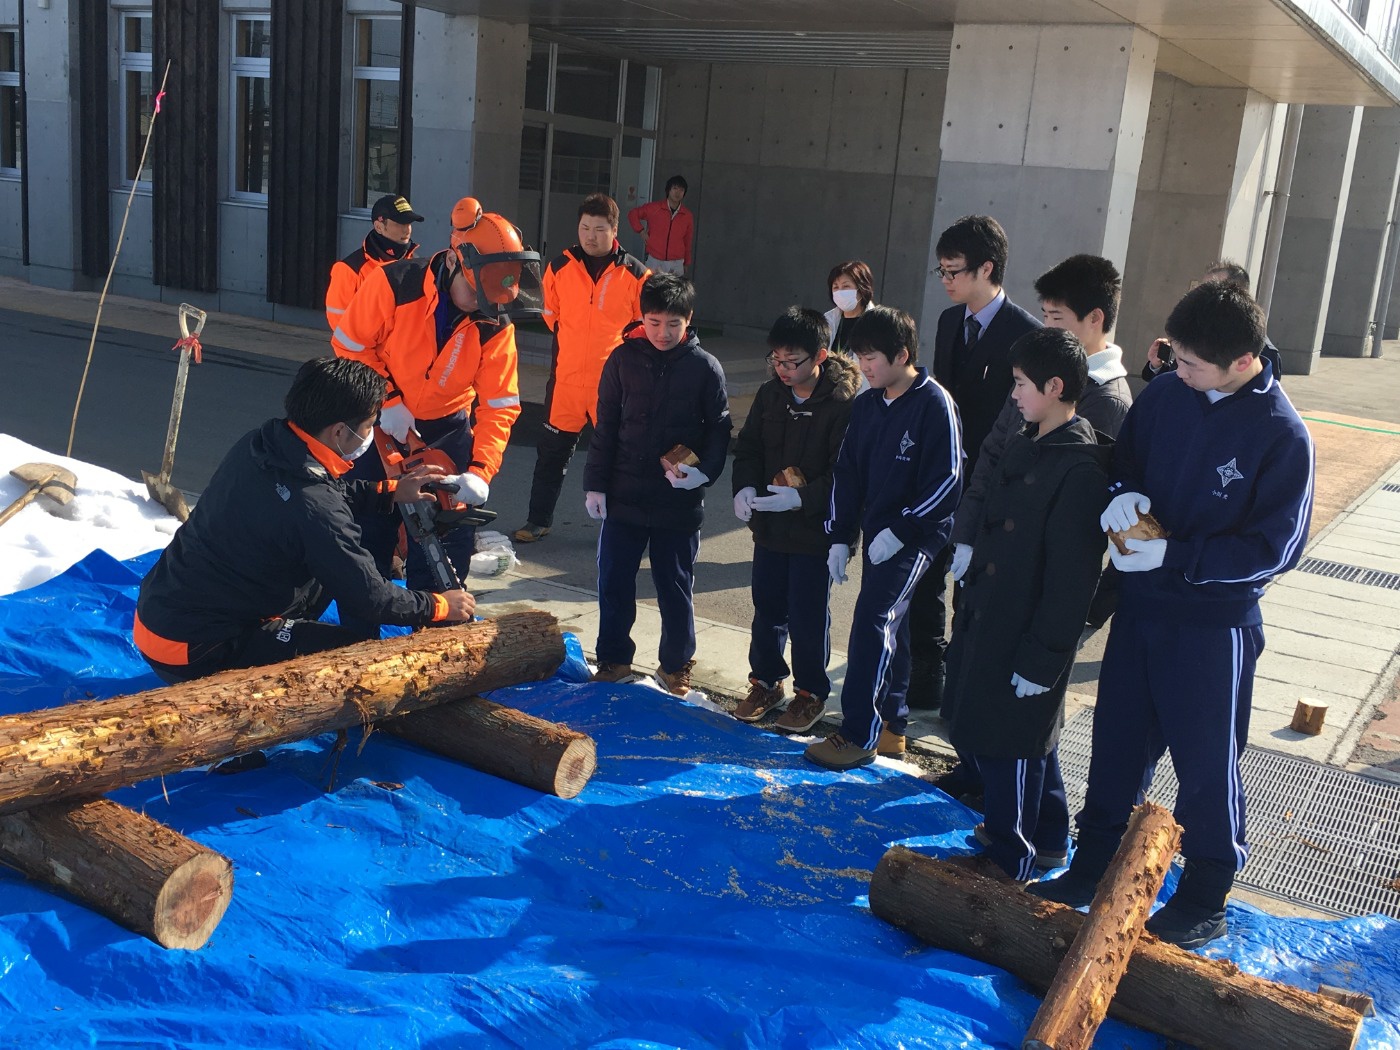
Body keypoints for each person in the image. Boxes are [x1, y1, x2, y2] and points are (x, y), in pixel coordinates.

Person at [1032, 280, 1314, 951]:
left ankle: (1205, 892)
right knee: (1116, 743)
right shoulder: (1164, 396)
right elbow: (1125, 461)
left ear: (1242, 361)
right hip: (1142, 609)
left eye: (1190, 363)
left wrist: (1178, 556)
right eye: (1175, 357)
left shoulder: (1281, 434)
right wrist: (1122, 497)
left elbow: (1275, 550)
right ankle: (1094, 863)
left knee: (1205, 762)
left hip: (1213, 625)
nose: (1176, 371)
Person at [133, 357, 474, 685]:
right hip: (193, 649)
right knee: (356, 656)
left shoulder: (262, 443)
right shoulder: (316, 509)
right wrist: (440, 604)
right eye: (370, 425)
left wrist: (390, 491)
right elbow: (372, 599)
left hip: (156, 611)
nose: (371, 433)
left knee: (333, 568)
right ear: (339, 431)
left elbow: (322, 492)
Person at [946, 328, 1111, 880]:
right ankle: (1041, 837)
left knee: (1012, 744)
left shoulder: (1079, 467)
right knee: (1018, 737)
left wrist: (1044, 658)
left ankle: (1010, 853)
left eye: (1020, 384)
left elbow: (1071, 581)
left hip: (1025, 628)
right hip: (994, 615)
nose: (1013, 395)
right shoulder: (1030, 437)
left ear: (1055, 386)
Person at [331, 205, 533, 629]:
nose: (482, 304)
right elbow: (350, 344)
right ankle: (356, 641)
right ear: (458, 261)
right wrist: (386, 400)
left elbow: (500, 404)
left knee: (446, 545)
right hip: (379, 422)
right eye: (476, 292)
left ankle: (438, 639)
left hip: (447, 428)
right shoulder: (393, 283)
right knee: (367, 536)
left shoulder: (495, 322)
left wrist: (480, 470)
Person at [805, 306, 963, 770]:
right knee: (894, 623)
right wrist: (840, 536)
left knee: (875, 617)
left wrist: (903, 529)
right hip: (879, 529)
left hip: (918, 533)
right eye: (859, 355)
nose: (864, 366)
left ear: (902, 355)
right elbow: (847, 472)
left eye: (871, 357)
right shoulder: (868, 404)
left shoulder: (935, 402)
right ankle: (893, 723)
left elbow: (949, 481)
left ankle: (859, 733)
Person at [906, 215, 1040, 714]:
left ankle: (965, 684)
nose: (945, 280)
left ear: (986, 268)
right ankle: (926, 673)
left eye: (954, 271)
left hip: (991, 481)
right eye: (940, 271)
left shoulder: (1025, 334)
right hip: (942, 475)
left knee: (974, 588)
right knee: (926, 578)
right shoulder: (948, 321)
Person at [583, 272, 731, 696]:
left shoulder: (705, 367)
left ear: (689, 320)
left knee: (675, 585)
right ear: (641, 318)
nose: (663, 333)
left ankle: (675, 666)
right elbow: (606, 425)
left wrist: (704, 473)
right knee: (614, 580)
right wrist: (595, 485)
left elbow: (719, 429)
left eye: (673, 324)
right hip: (624, 493)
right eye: (654, 322)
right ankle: (613, 659)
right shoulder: (622, 359)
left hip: (677, 500)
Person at [730, 307, 860, 731]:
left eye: (792, 361)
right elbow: (749, 448)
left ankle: (811, 693)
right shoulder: (772, 395)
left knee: (807, 615)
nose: (782, 369)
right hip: (770, 527)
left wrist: (802, 498)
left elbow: (846, 474)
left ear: (820, 356)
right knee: (767, 608)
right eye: (777, 359)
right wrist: (743, 487)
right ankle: (766, 683)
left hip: (814, 533)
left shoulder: (842, 405)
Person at [513, 194, 650, 544]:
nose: (591, 235)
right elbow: (551, 316)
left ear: (614, 230)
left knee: (619, 459)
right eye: (585, 227)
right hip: (566, 383)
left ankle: (619, 526)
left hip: (613, 387)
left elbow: (644, 326)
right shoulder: (560, 266)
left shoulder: (636, 273)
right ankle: (538, 521)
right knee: (551, 456)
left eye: (599, 229)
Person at [1143, 260, 1283, 382]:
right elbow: (1177, 382)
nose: (1203, 298)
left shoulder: (1265, 352)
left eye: (1213, 290)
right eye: (1203, 290)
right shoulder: (1197, 331)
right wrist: (1157, 366)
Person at [324, 194, 424, 330]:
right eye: (399, 224)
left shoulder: (415, 264)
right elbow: (341, 326)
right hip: (368, 344)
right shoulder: (349, 270)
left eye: (409, 223)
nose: (406, 230)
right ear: (379, 227)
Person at [628, 176, 694, 276]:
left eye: (681, 190)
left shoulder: (687, 215)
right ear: (668, 190)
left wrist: (686, 263)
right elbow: (633, 214)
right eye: (675, 188)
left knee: (674, 286)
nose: (677, 193)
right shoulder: (655, 208)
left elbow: (687, 240)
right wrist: (641, 231)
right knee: (651, 285)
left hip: (676, 263)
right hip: (655, 260)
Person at [824, 260, 877, 359]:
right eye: (835, 287)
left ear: (862, 289)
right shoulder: (827, 320)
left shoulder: (877, 322)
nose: (840, 292)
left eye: (846, 286)